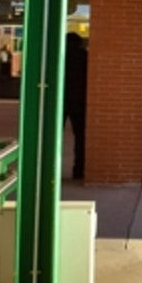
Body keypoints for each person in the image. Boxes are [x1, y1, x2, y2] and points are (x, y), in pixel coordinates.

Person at [64, 32, 88, 180]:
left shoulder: (59, 55)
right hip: (79, 101)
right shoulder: (84, 56)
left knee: (53, 136)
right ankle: (78, 170)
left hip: (61, 100)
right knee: (80, 137)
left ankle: (50, 170)